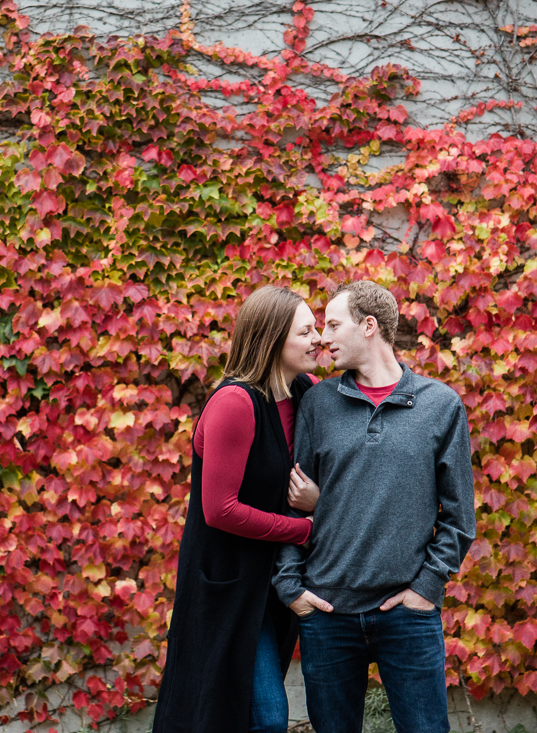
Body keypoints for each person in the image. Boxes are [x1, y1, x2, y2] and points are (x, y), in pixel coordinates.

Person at [273, 280, 476, 733]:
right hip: (326, 613)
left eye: (332, 324)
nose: (322, 337)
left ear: (368, 326)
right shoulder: (318, 403)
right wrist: (291, 589)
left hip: (407, 614)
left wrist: (426, 589)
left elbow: (460, 517)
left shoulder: (440, 406)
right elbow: (293, 501)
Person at [153, 285, 324, 733]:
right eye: (305, 331)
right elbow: (220, 510)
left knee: (251, 715)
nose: (318, 340)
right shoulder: (234, 403)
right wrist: (305, 528)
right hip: (227, 585)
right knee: (254, 716)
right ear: (272, 338)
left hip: (275, 583)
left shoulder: (305, 392)